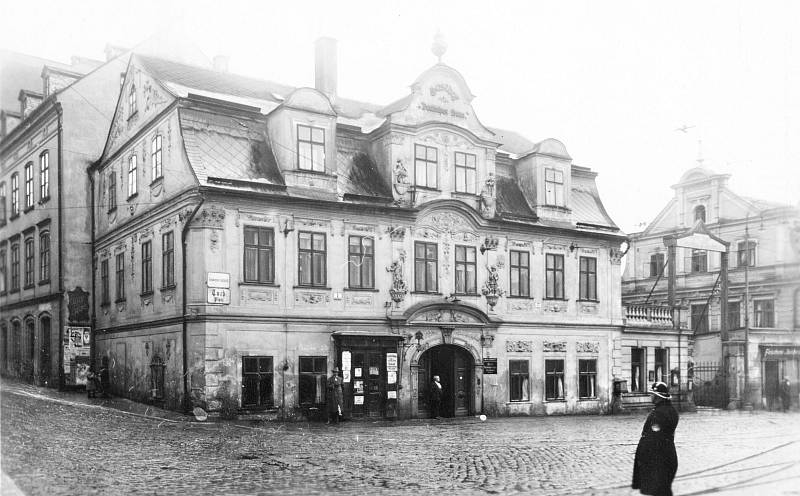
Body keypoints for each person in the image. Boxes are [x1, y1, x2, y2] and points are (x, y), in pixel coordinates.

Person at [632, 381, 679, 496]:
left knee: (658, 491)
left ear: (659, 397)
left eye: (653, 394)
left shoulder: (660, 413)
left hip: (658, 461)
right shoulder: (669, 410)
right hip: (665, 458)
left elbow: (653, 439)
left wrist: (644, 460)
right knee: (662, 491)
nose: (651, 396)